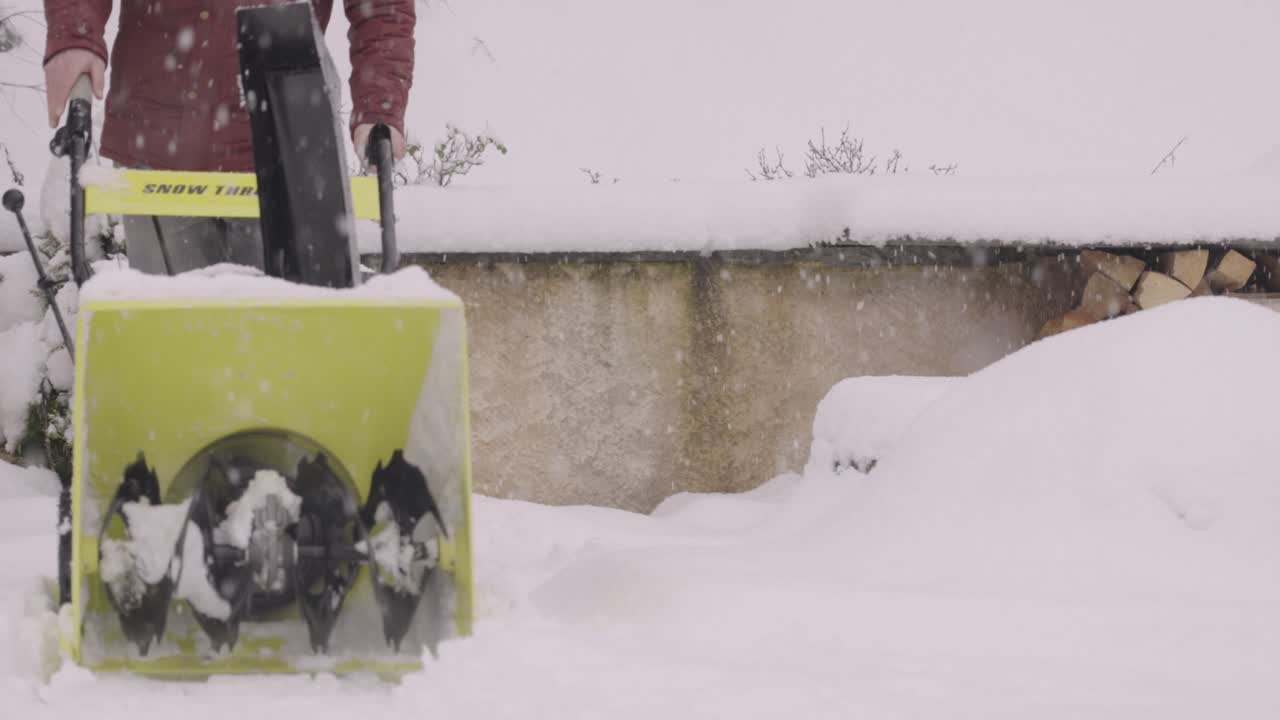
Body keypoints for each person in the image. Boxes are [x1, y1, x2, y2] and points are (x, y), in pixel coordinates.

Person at [41, 0, 412, 274]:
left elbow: (383, 7)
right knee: (171, 335)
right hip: (158, 141)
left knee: (288, 339)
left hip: (287, 137)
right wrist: (75, 36)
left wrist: (380, 104)